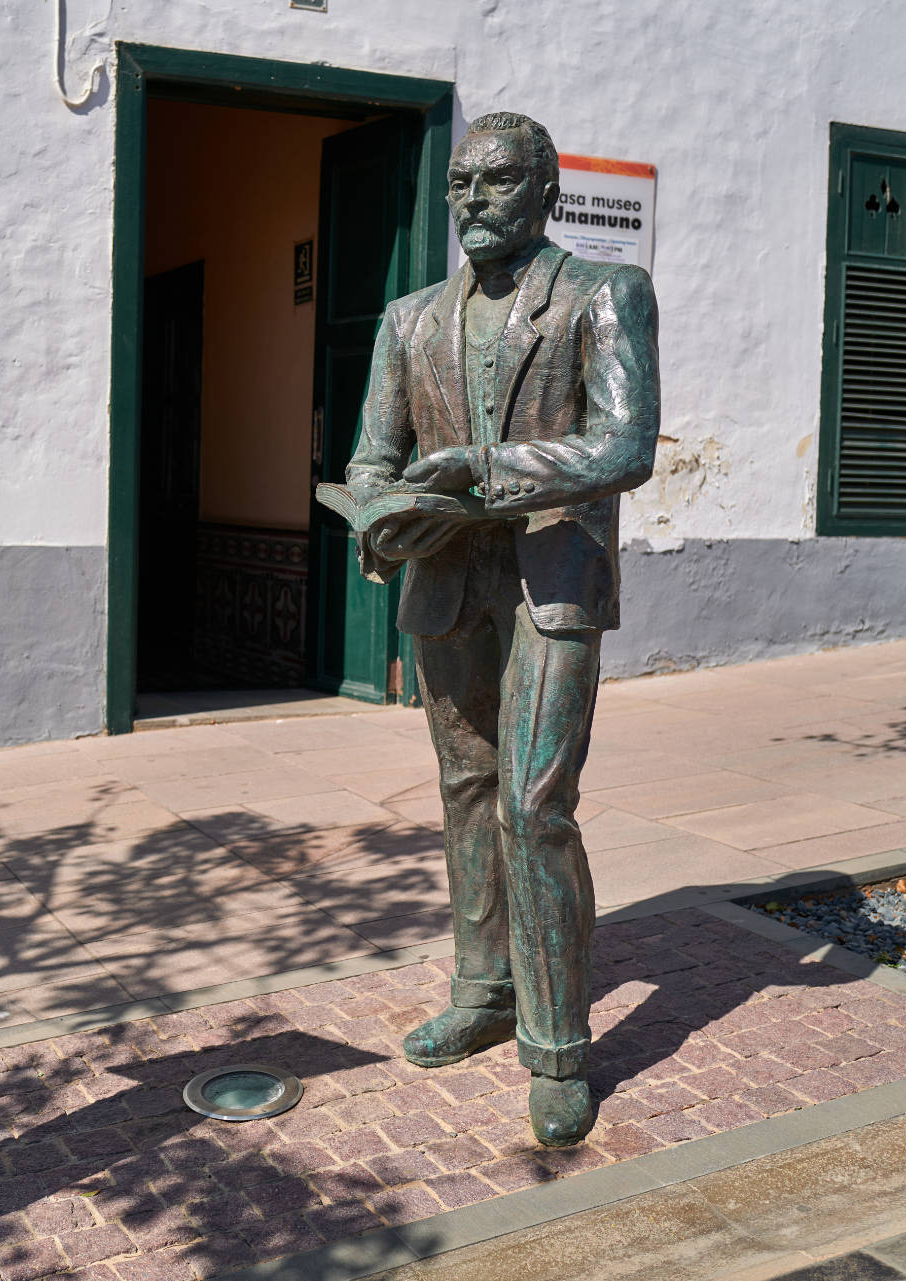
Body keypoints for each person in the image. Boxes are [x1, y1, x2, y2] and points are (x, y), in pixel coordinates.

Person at [343, 110, 659, 1146]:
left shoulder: (603, 295)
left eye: (496, 180)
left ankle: (558, 1044)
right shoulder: (409, 321)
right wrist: (379, 513)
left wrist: (491, 471)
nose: (472, 198)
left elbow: (624, 445)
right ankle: (483, 991)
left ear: (546, 191)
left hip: (551, 576)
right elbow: (371, 457)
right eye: (460, 184)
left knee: (534, 803)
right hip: (444, 581)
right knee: (467, 791)